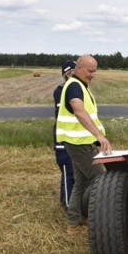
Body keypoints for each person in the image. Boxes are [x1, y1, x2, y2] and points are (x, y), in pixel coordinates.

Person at [56, 55, 112, 234]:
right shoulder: (74, 87)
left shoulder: (80, 86)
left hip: (81, 143)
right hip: (79, 144)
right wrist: (99, 135)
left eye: (95, 71)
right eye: (90, 71)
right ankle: (96, 218)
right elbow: (79, 111)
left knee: (80, 183)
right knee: (101, 181)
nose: (93, 75)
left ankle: (75, 222)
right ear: (78, 69)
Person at [53, 60, 76, 211]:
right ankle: (69, 206)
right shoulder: (62, 91)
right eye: (73, 72)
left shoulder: (70, 89)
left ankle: (64, 199)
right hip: (64, 138)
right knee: (69, 171)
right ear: (67, 74)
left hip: (69, 136)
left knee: (69, 171)